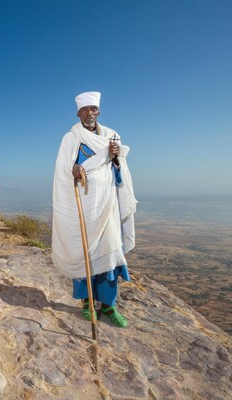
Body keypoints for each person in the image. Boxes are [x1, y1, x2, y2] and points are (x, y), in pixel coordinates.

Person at [52, 91, 137, 328]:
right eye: (86, 109)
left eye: (94, 109)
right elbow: (63, 170)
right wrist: (75, 169)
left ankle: (109, 306)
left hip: (107, 203)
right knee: (85, 254)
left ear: (98, 111)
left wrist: (116, 157)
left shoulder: (111, 136)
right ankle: (87, 304)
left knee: (110, 252)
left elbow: (121, 169)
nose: (90, 113)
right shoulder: (71, 138)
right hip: (84, 202)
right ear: (78, 113)